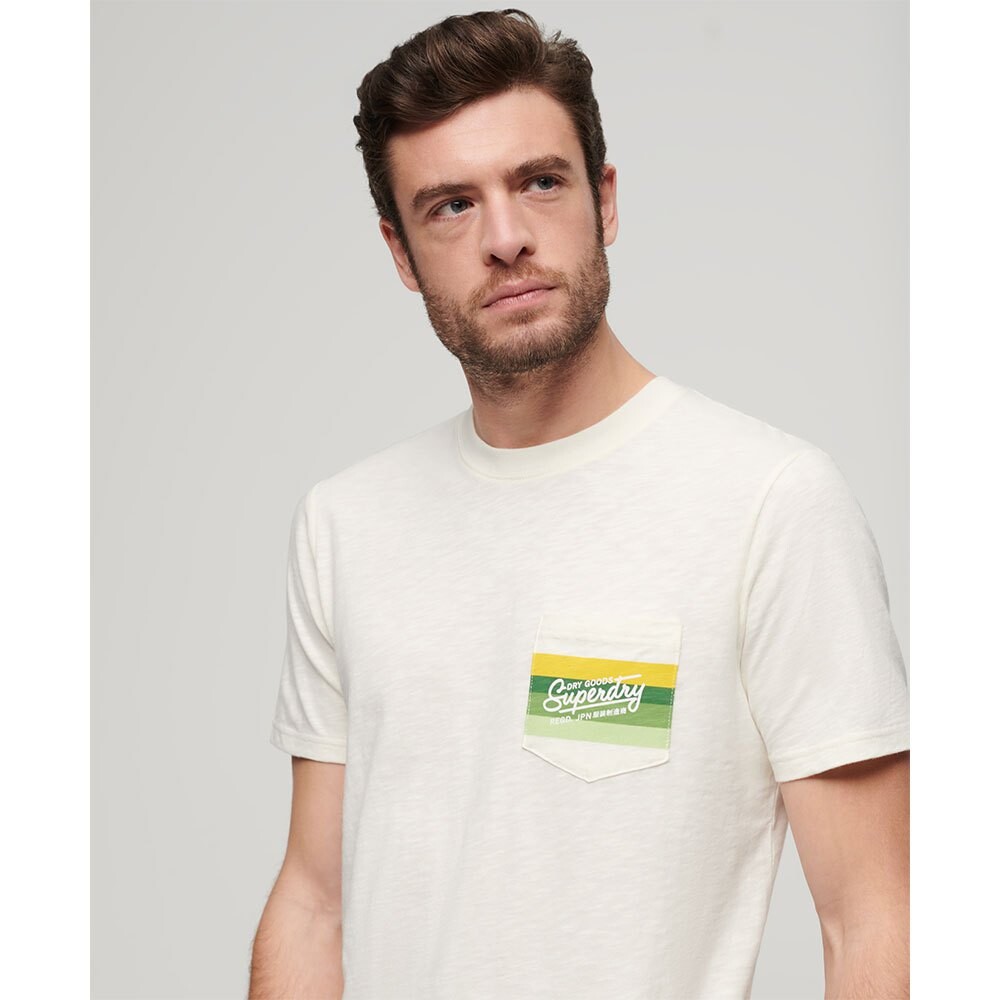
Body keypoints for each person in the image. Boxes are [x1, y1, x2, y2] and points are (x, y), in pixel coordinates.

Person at [249, 10, 909, 999]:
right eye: (451, 206)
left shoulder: (769, 503)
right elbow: (312, 901)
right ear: (400, 252)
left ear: (603, 199)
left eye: (539, 182)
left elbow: (875, 915)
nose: (506, 238)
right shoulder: (346, 524)